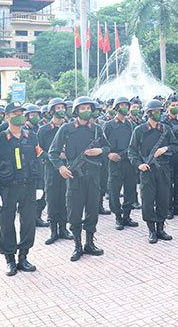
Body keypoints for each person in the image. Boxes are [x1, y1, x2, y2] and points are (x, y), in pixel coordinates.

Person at [48, 96, 110, 262]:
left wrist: (100, 152)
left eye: (88, 108)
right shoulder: (67, 129)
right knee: (74, 212)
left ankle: (90, 243)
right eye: (82, 109)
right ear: (76, 111)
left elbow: (107, 147)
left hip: (93, 177)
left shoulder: (97, 129)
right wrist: (61, 167)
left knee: (92, 211)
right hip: (74, 178)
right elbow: (52, 152)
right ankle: (77, 246)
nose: (86, 111)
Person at [0, 102, 43, 276]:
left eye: (21, 113)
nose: (19, 115)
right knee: (6, 224)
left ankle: (24, 257)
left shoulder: (32, 137)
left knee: (28, 223)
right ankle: (10, 259)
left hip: (28, 186)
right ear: (7, 117)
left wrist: (39, 186)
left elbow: (38, 161)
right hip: (7, 189)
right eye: (14, 113)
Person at [128, 99, 175, 243]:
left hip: (163, 170)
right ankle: (152, 230)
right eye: (155, 112)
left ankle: (161, 228)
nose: (158, 114)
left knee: (163, 199)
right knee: (148, 201)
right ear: (149, 113)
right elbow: (132, 151)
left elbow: (175, 145)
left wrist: (165, 149)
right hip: (147, 171)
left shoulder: (165, 129)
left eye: (160, 111)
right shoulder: (140, 130)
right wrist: (139, 165)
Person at [37, 98, 73, 245]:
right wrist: (55, 157)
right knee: (52, 198)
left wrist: (68, 155)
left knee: (65, 197)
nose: (61, 110)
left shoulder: (69, 128)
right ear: (51, 111)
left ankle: (64, 228)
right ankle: (53, 230)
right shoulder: (43, 130)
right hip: (50, 168)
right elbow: (38, 150)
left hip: (67, 167)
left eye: (62, 107)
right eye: (57, 108)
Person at [104, 96, 139, 231]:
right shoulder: (108, 125)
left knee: (130, 189)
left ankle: (127, 215)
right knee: (114, 191)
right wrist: (108, 154)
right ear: (116, 107)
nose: (124, 107)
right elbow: (101, 143)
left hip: (129, 161)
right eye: (122, 105)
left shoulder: (131, 125)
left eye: (126, 105)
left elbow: (136, 144)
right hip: (114, 162)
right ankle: (118, 216)